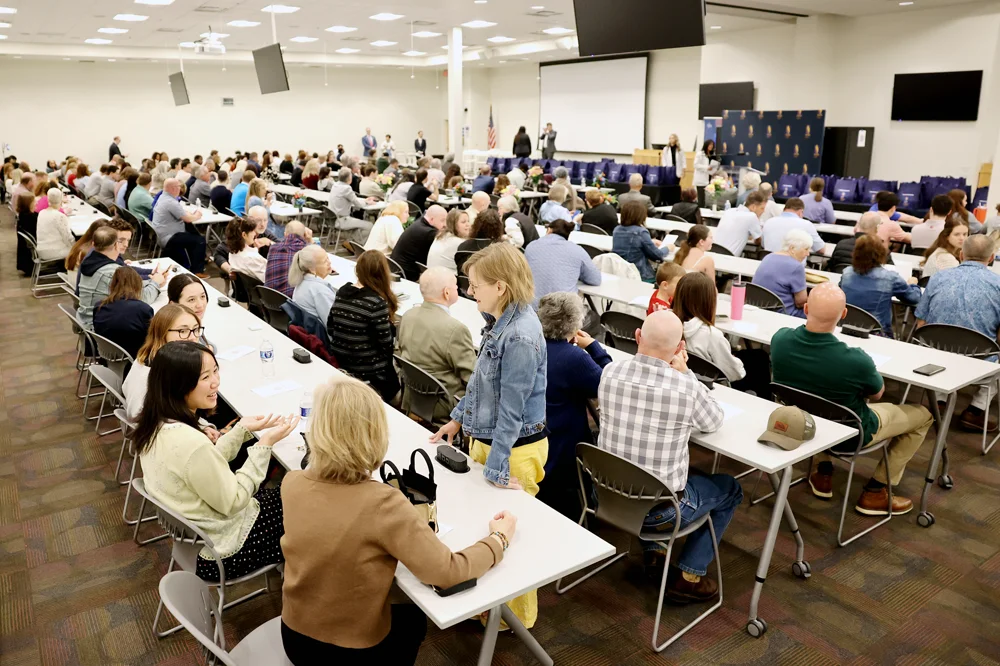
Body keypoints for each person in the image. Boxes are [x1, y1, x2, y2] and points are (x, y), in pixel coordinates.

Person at [280, 377, 512, 664]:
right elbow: (448, 572)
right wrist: (498, 539)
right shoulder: (383, 503)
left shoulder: (291, 483)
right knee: (414, 618)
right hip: (351, 653)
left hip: (294, 635)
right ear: (374, 433)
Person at [429, 242, 546, 628]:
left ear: (501, 286)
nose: (469, 290)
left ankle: (515, 620)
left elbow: (512, 408)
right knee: (486, 526)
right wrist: (458, 419)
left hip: (514, 449)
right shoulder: (500, 323)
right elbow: (482, 381)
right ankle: (489, 606)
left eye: (476, 284)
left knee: (514, 536)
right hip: (493, 442)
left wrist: (496, 466)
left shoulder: (521, 337)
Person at [598, 309, 738, 601]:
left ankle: (656, 551)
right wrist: (686, 374)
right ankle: (690, 574)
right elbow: (713, 421)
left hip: (608, 496)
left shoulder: (609, 372)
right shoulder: (684, 387)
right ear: (679, 349)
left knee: (645, 468)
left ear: (638, 336)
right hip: (661, 513)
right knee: (729, 488)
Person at [135, 341, 298, 582]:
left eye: (215, 371)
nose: (215, 382)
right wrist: (264, 446)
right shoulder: (191, 442)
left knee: (288, 490)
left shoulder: (156, 424)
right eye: (204, 377)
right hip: (223, 553)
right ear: (178, 385)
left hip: (195, 543)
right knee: (301, 496)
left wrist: (241, 430)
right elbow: (233, 501)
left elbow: (201, 467)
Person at [772, 284, 933, 514]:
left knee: (814, 400)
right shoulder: (857, 360)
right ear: (844, 314)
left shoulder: (780, 340)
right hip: (851, 435)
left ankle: (823, 472)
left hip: (801, 423)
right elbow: (877, 394)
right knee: (924, 415)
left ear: (806, 308)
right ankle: (876, 491)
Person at [535, 292, 613, 518]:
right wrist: (593, 347)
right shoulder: (573, 357)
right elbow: (608, 383)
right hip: (563, 449)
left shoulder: (532, 345)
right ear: (574, 324)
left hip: (536, 437)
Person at [916, 234, 1000, 430]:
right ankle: (975, 411)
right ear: (991, 258)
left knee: (943, 345)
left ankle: (938, 401)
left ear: (961, 255)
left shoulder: (937, 278)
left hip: (934, 359)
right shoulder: (998, 285)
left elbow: (921, 324)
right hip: (979, 364)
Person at [397, 267, 477, 422]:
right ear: (447, 293)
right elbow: (473, 379)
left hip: (412, 395)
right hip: (444, 403)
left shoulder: (407, 316)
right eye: (456, 286)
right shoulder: (455, 330)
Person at [673, 272, 771, 398]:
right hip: (709, 386)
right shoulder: (712, 335)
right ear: (708, 301)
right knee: (759, 360)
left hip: (683, 378)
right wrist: (735, 360)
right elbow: (735, 374)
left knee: (756, 356)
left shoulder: (668, 323)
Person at [328, 251, 400, 402]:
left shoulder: (342, 292)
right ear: (383, 273)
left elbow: (331, 327)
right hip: (369, 371)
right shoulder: (376, 303)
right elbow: (386, 345)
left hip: (342, 362)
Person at [122, 304, 204, 421]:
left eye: (196, 329)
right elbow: (138, 417)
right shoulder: (152, 374)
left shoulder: (154, 355)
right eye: (183, 331)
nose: (192, 337)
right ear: (163, 333)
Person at [78, 226, 165, 328]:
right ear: (116, 245)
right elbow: (143, 298)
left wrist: (151, 280)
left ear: (93, 244)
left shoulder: (90, 263)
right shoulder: (112, 272)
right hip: (99, 327)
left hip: (87, 319)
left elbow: (129, 287)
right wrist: (155, 283)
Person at [840, 235, 921, 337]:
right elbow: (914, 298)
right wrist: (913, 284)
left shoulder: (846, 273)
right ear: (881, 254)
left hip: (845, 328)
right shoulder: (890, 278)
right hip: (876, 333)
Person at [525, 218, 601, 309]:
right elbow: (595, 279)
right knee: (593, 317)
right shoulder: (577, 250)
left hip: (531, 310)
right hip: (563, 314)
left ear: (549, 230)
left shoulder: (531, 246)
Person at [93, 266, 154, 359]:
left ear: (112, 285)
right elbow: (151, 339)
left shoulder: (99, 306)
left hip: (106, 356)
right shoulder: (144, 309)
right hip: (136, 358)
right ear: (138, 286)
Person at [150, 179, 207, 275]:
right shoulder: (170, 202)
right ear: (173, 188)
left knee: (191, 234)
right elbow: (188, 219)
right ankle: (197, 272)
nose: (180, 189)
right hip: (169, 237)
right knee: (199, 240)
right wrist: (197, 214)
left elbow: (182, 213)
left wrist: (189, 215)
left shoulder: (163, 197)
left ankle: (193, 263)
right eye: (179, 186)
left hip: (162, 234)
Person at [752, 228, 812, 318]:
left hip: (759, 307)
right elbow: (801, 303)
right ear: (792, 248)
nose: (808, 254)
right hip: (783, 313)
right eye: (806, 249)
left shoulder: (768, 257)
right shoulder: (796, 267)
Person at [613, 200, 670, 282]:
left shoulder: (617, 230)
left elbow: (631, 243)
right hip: (640, 275)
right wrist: (668, 248)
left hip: (620, 272)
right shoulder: (641, 232)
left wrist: (649, 241)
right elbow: (657, 255)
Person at [288, 244, 337, 325]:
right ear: (312, 269)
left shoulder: (302, 282)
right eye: (325, 261)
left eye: (328, 258)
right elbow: (333, 323)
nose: (329, 263)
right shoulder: (319, 291)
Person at [264, 220, 311, 297]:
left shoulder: (273, 248)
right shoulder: (307, 251)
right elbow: (320, 262)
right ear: (304, 235)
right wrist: (310, 240)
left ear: (285, 235)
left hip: (269, 301)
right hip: (291, 303)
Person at [713, 190, 765, 257]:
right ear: (753, 207)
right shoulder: (751, 216)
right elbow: (759, 240)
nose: (764, 211)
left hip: (713, 251)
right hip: (729, 257)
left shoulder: (729, 211)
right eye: (762, 208)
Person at [35, 188, 74, 262]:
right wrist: (77, 245)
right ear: (61, 199)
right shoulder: (60, 216)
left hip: (41, 250)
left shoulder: (41, 213)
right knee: (81, 251)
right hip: (54, 252)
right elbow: (68, 238)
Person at [427, 208, 470, 272]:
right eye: (463, 222)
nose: (468, 225)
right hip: (445, 278)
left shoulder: (441, 235)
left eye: (468, 221)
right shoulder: (458, 243)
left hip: (432, 275)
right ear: (453, 224)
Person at [226, 217, 267, 283]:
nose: (255, 234)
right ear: (244, 235)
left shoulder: (232, 254)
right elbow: (269, 279)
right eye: (252, 231)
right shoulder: (251, 258)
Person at [692, 140, 719, 206]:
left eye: (712, 145)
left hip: (708, 178)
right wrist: (706, 167)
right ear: (706, 145)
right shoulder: (700, 154)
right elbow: (696, 165)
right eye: (710, 145)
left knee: (706, 200)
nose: (711, 146)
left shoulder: (711, 154)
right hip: (701, 179)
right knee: (701, 199)